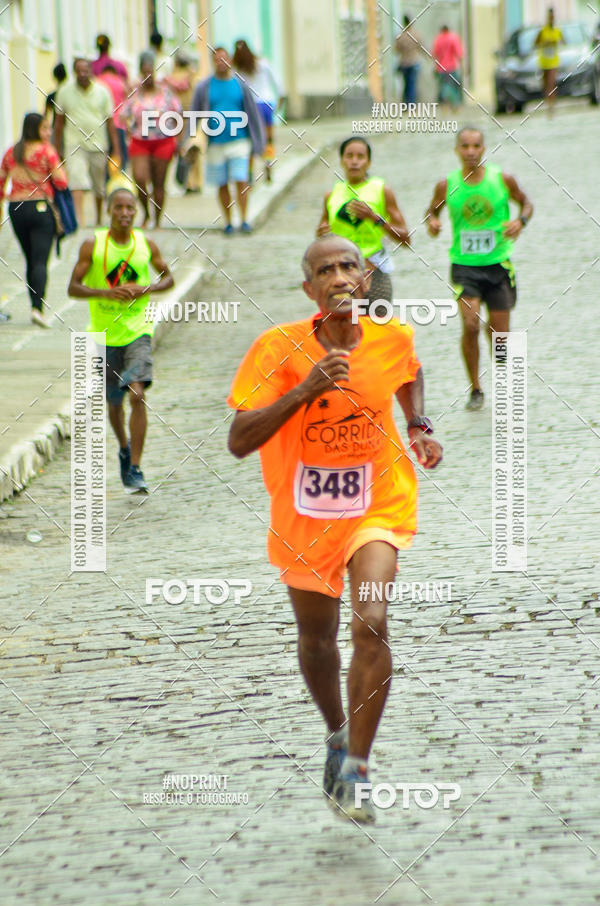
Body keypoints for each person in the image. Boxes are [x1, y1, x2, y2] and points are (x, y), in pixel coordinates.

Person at [227, 235, 443, 823]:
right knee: (317, 640)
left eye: (349, 265)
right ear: (310, 289)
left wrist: (419, 423)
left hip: (378, 503)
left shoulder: (392, 335)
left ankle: (358, 770)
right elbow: (240, 440)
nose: (340, 275)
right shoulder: (277, 348)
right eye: (326, 269)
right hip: (304, 517)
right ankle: (337, 735)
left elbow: (407, 373)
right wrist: (307, 388)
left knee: (371, 620)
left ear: (365, 279)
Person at [67, 187, 174, 492]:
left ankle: (136, 468)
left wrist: (147, 288)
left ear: (136, 212)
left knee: (137, 394)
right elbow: (73, 287)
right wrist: (105, 292)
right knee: (114, 403)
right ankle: (124, 449)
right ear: (109, 211)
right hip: (103, 334)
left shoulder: (145, 244)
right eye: (119, 208)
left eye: (130, 208)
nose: (125, 213)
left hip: (138, 330)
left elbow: (169, 278)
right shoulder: (93, 245)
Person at [424, 127, 533, 410]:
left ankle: (497, 355)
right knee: (470, 325)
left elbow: (527, 203)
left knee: (500, 337)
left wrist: (520, 221)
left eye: (476, 146)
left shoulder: (502, 179)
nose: (470, 151)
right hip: (464, 266)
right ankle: (475, 388)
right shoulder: (446, 184)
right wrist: (433, 223)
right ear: (457, 150)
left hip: (498, 265)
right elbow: (431, 211)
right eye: (464, 146)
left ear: (484, 149)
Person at [316, 136, 410, 305]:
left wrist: (374, 218)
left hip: (374, 274)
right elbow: (322, 232)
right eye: (349, 156)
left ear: (369, 162)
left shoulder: (382, 190)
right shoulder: (331, 195)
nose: (354, 162)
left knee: (378, 329)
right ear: (342, 161)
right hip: (341, 278)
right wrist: (322, 233)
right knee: (344, 329)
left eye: (360, 157)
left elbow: (405, 239)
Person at [0, 113, 68, 328]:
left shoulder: (12, 152)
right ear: (36, 129)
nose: (48, 132)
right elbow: (62, 181)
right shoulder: (46, 151)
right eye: (45, 128)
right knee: (40, 261)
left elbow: (2, 182)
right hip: (40, 207)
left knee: (30, 258)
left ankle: (34, 304)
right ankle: (37, 308)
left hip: (16, 208)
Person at [190, 47, 265, 234]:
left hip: (240, 141)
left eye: (223, 59)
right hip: (215, 143)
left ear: (229, 61)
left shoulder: (240, 85)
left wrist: (259, 142)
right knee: (222, 183)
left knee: (241, 179)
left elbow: (252, 114)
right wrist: (188, 139)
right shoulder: (205, 87)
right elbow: (195, 113)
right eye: (216, 59)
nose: (220, 62)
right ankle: (229, 221)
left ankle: (245, 219)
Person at [54, 58, 119, 227]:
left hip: (98, 143)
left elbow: (110, 122)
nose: (82, 74)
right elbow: (59, 123)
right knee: (76, 180)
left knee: (99, 186)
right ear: (74, 72)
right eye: (79, 71)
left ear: (91, 71)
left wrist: (116, 149)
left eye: (86, 71)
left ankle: (98, 217)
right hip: (74, 143)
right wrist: (56, 149)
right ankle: (78, 220)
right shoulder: (64, 91)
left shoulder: (103, 91)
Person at [124, 52, 182, 228]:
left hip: (163, 141)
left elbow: (179, 114)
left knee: (159, 182)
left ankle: (157, 220)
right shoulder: (135, 94)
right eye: (144, 72)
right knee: (140, 179)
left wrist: (178, 139)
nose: (148, 76)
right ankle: (146, 215)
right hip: (140, 141)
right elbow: (122, 115)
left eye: (151, 72)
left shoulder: (166, 93)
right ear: (140, 73)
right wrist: (128, 129)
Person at [232, 39, 281, 182]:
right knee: (269, 139)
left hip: (250, 106)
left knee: (250, 140)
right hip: (266, 103)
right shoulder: (262, 63)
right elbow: (277, 83)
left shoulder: (237, 68)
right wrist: (279, 101)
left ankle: (249, 172)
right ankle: (268, 162)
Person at [98, 63, 129, 171]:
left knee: (105, 155)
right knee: (120, 155)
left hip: (103, 125)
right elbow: (127, 103)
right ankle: (119, 179)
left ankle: (106, 181)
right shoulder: (120, 82)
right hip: (119, 124)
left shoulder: (98, 81)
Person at [535, 9, 564, 115]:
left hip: (553, 62)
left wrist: (555, 42)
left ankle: (551, 107)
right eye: (550, 17)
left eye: (553, 17)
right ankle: (549, 102)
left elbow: (564, 41)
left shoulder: (557, 31)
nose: (551, 19)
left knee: (551, 83)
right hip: (544, 62)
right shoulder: (542, 31)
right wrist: (545, 43)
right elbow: (535, 43)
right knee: (545, 85)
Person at [395, 16, 424, 105]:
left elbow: (396, 50)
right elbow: (421, 48)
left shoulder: (400, 36)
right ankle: (411, 104)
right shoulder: (416, 35)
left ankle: (406, 104)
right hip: (414, 63)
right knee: (412, 85)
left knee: (406, 84)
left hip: (404, 63)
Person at [432, 25, 463, 110]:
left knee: (444, 86)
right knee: (453, 86)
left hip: (441, 68)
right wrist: (461, 63)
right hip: (451, 67)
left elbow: (435, 53)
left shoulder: (438, 39)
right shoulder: (453, 38)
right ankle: (455, 104)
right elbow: (458, 53)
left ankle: (444, 104)